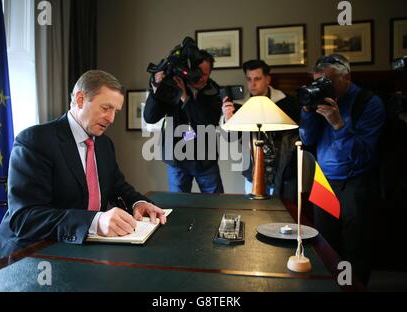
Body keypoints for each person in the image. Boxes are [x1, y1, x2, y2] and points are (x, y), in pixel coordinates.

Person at [0, 70, 166, 262]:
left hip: (78, 249)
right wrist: (95, 221)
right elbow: (25, 219)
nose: (111, 119)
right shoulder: (35, 141)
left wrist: (139, 203)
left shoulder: (104, 144)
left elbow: (118, 186)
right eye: (106, 108)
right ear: (80, 99)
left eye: (116, 111)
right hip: (28, 254)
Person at [299, 54, 386, 285]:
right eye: (317, 82)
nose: (321, 88)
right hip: (324, 179)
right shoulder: (320, 100)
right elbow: (307, 138)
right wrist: (307, 112)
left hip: (355, 181)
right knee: (325, 245)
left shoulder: (369, 103)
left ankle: (354, 288)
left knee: (355, 246)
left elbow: (363, 154)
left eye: (327, 82)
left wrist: (338, 124)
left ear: (346, 77)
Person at [144, 50, 224, 193]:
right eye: (198, 73)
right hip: (177, 160)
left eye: (205, 74)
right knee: (178, 205)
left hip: (206, 160)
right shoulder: (173, 87)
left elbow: (207, 124)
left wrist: (185, 98)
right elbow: (150, 117)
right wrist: (156, 90)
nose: (201, 78)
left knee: (215, 204)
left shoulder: (214, 92)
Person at [222, 60, 299, 201]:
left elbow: (297, 135)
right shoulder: (240, 106)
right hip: (253, 172)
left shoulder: (287, 102)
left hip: (284, 172)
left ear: (268, 79)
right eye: (249, 79)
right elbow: (232, 138)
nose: (252, 84)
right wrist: (228, 120)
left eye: (257, 79)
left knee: (285, 214)